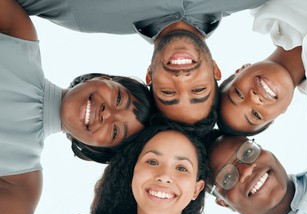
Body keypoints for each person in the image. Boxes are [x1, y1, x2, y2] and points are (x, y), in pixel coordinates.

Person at [0, 0, 154, 214]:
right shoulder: (19, 33)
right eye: (118, 99)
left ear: (95, 150)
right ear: (105, 78)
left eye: (115, 132)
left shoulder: (23, 181)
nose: (108, 113)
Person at [18, 0, 268, 128]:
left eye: (168, 92)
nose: (181, 79)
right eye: (198, 90)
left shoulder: (82, 12)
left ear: (150, 75)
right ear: (215, 70)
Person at [33, 120, 247, 214]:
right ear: (133, 173)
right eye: (152, 162)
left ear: (196, 189)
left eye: (181, 168)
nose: (164, 175)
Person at [217, 0, 307, 144]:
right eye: (256, 115)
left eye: (238, 94)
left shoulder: (266, 7)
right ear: (276, 117)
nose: (254, 99)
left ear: (240, 70)